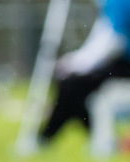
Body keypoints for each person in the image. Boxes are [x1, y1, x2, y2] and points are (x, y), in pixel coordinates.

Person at [39, 0, 130, 143]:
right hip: (120, 62)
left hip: (124, 65)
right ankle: (45, 137)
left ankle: (45, 138)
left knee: (71, 86)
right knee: (71, 85)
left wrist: (77, 64)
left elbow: (113, 42)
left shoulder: (120, 2)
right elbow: (102, 38)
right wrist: (76, 62)